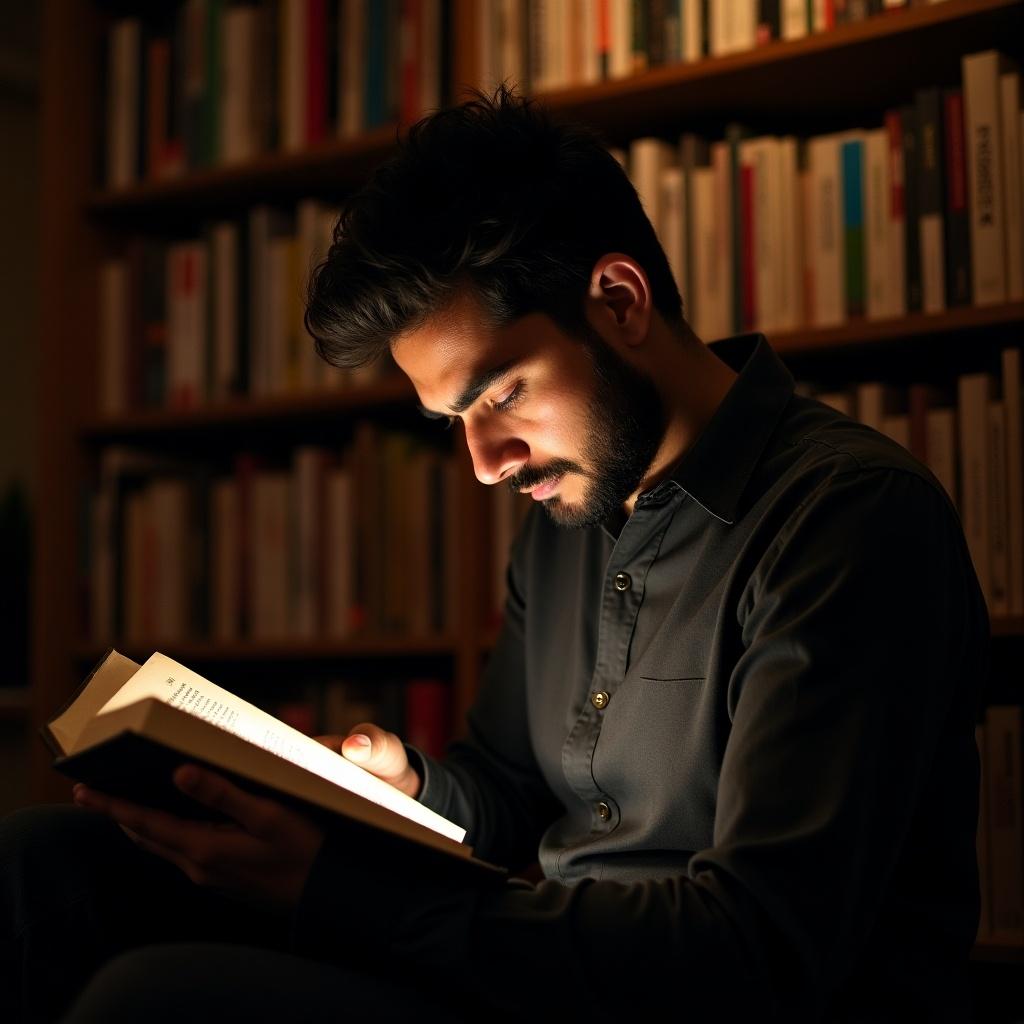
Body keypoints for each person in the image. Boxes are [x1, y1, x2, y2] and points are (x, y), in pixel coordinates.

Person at [2, 88, 986, 1023]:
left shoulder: (848, 520)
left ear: (618, 299)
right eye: (453, 420)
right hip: (537, 969)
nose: (483, 463)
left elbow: (755, 954)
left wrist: (349, 892)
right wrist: (410, 790)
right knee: (52, 863)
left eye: (500, 393)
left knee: (158, 1003)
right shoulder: (568, 510)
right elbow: (510, 792)